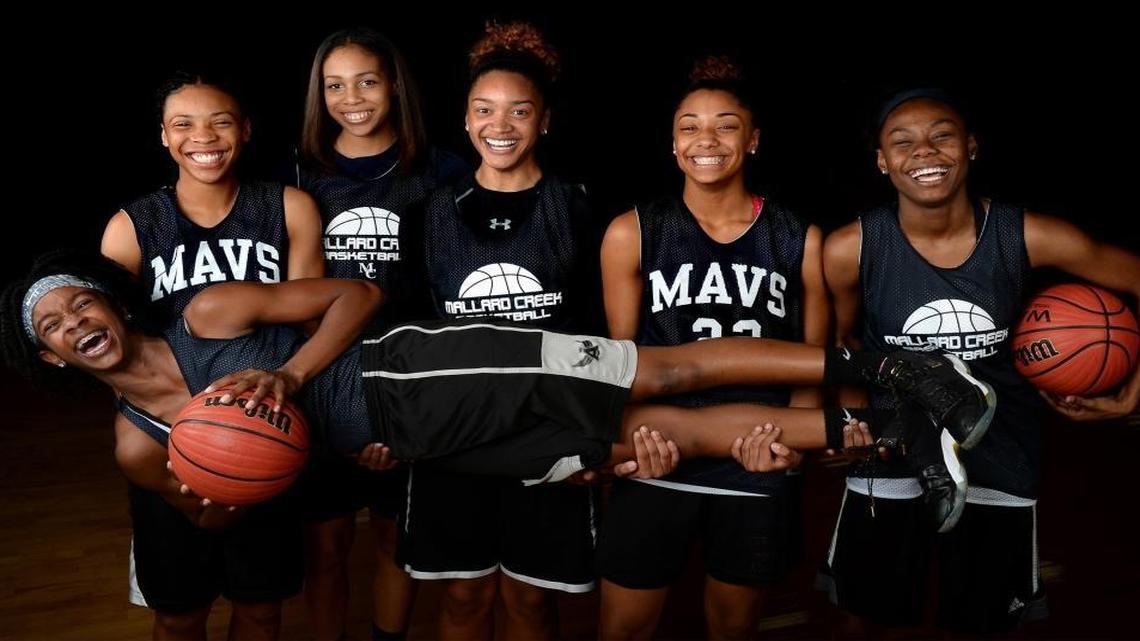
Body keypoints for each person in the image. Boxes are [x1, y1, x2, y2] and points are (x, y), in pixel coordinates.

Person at [820, 87, 1140, 635]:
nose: (924, 151)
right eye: (903, 142)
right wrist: (854, 419)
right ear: (881, 160)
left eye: (941, 136)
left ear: (970, 147)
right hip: (894, 447)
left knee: (983, 620)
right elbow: (845, 342)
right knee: (868, 614)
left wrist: (1138, 386)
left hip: (1000, 450)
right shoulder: (852, 247)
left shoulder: (1027, 234)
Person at [596, 54, 826, 641]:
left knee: (733, 625)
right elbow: (623, 362)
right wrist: (625, 448)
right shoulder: (633, 231)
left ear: (752, 140)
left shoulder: (799, 237)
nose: (707, 139)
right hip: (659, 447)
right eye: (689, 126)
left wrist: (792, 452)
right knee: (625, 626)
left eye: (726, 125)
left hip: (757, 449)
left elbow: (812, 358)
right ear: (672, 143)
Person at [411, 21, 605, 640]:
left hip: (547, 432)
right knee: (465, 600)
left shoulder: (579, 208)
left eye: (519, 111)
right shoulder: (429, 213)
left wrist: (588, 436)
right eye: (484, 110)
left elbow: (603, 332)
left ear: (544, 120)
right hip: (454, 438)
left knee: (528, 602)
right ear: (466, 120)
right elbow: (410, 335)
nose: (501, 125)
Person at [294, 28, 464, 641]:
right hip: (322, 383)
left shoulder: (442, 170)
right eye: (333, 85)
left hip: (407, 387)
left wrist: (405, 420)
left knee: (397, 540)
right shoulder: (301, 175)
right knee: (325, 546)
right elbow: (296, 302)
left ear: (393, 83)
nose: (351, 98)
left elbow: (455, 298)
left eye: (366, 80)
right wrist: (337, 416)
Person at [101, 71, 324, 319]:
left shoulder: (290, 208)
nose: (204, 136)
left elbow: (309, 321)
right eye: (183, 124)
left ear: (245, 129)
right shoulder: (129, 228)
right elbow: (121, 334)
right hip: (174, 358)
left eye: (221, 122)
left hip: (278, 357)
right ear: (164, 135)